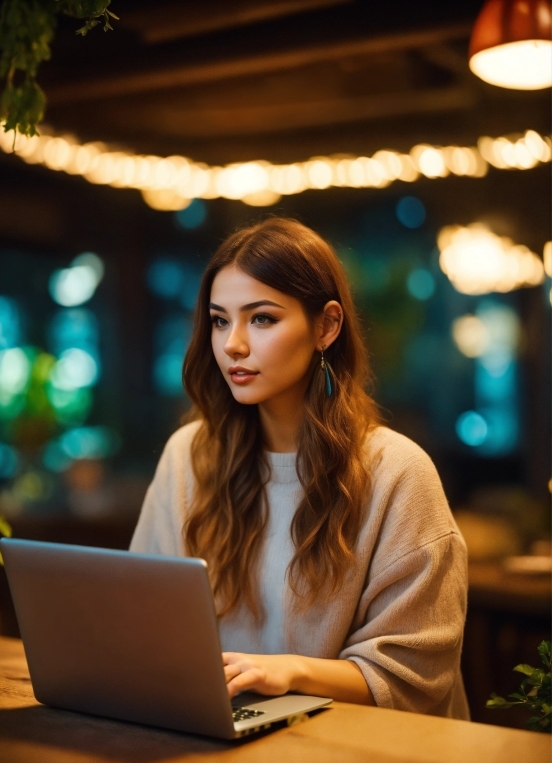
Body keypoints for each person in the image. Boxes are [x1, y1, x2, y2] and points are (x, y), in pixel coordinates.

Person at [131, 217, 469, 718]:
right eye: (220, 320)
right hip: (224, 733)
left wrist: (288, 672)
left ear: (327, 327)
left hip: (373, 756)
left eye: (262, 318)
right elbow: (142, 616)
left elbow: (414, 674)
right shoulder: (189, 456)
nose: (233, 345)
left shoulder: (397, 472)